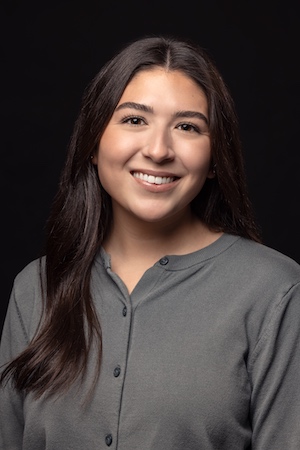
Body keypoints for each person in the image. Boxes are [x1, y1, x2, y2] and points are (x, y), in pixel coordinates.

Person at [0, 34, 300, 450]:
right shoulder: (36, 288)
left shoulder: (276, 291)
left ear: (215, 160)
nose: (158, 150)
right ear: (93, 143)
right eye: (135, 120)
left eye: (187, 127)